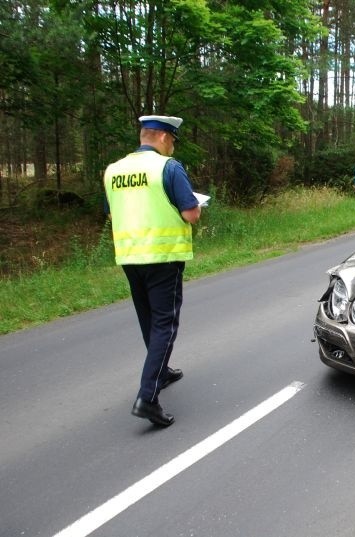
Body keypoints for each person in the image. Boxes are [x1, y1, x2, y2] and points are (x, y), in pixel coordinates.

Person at [103, 115, 201, 428]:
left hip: (130, 257)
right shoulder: (168, 168)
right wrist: (196, 205)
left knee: (148, 319)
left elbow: (113, 210)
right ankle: (148, 397)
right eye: (172, 139)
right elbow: (191, 213)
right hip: (162, 256)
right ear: (160, 137)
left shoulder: (113, 171)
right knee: (165, 324)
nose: (172, 145)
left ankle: (162, 369)